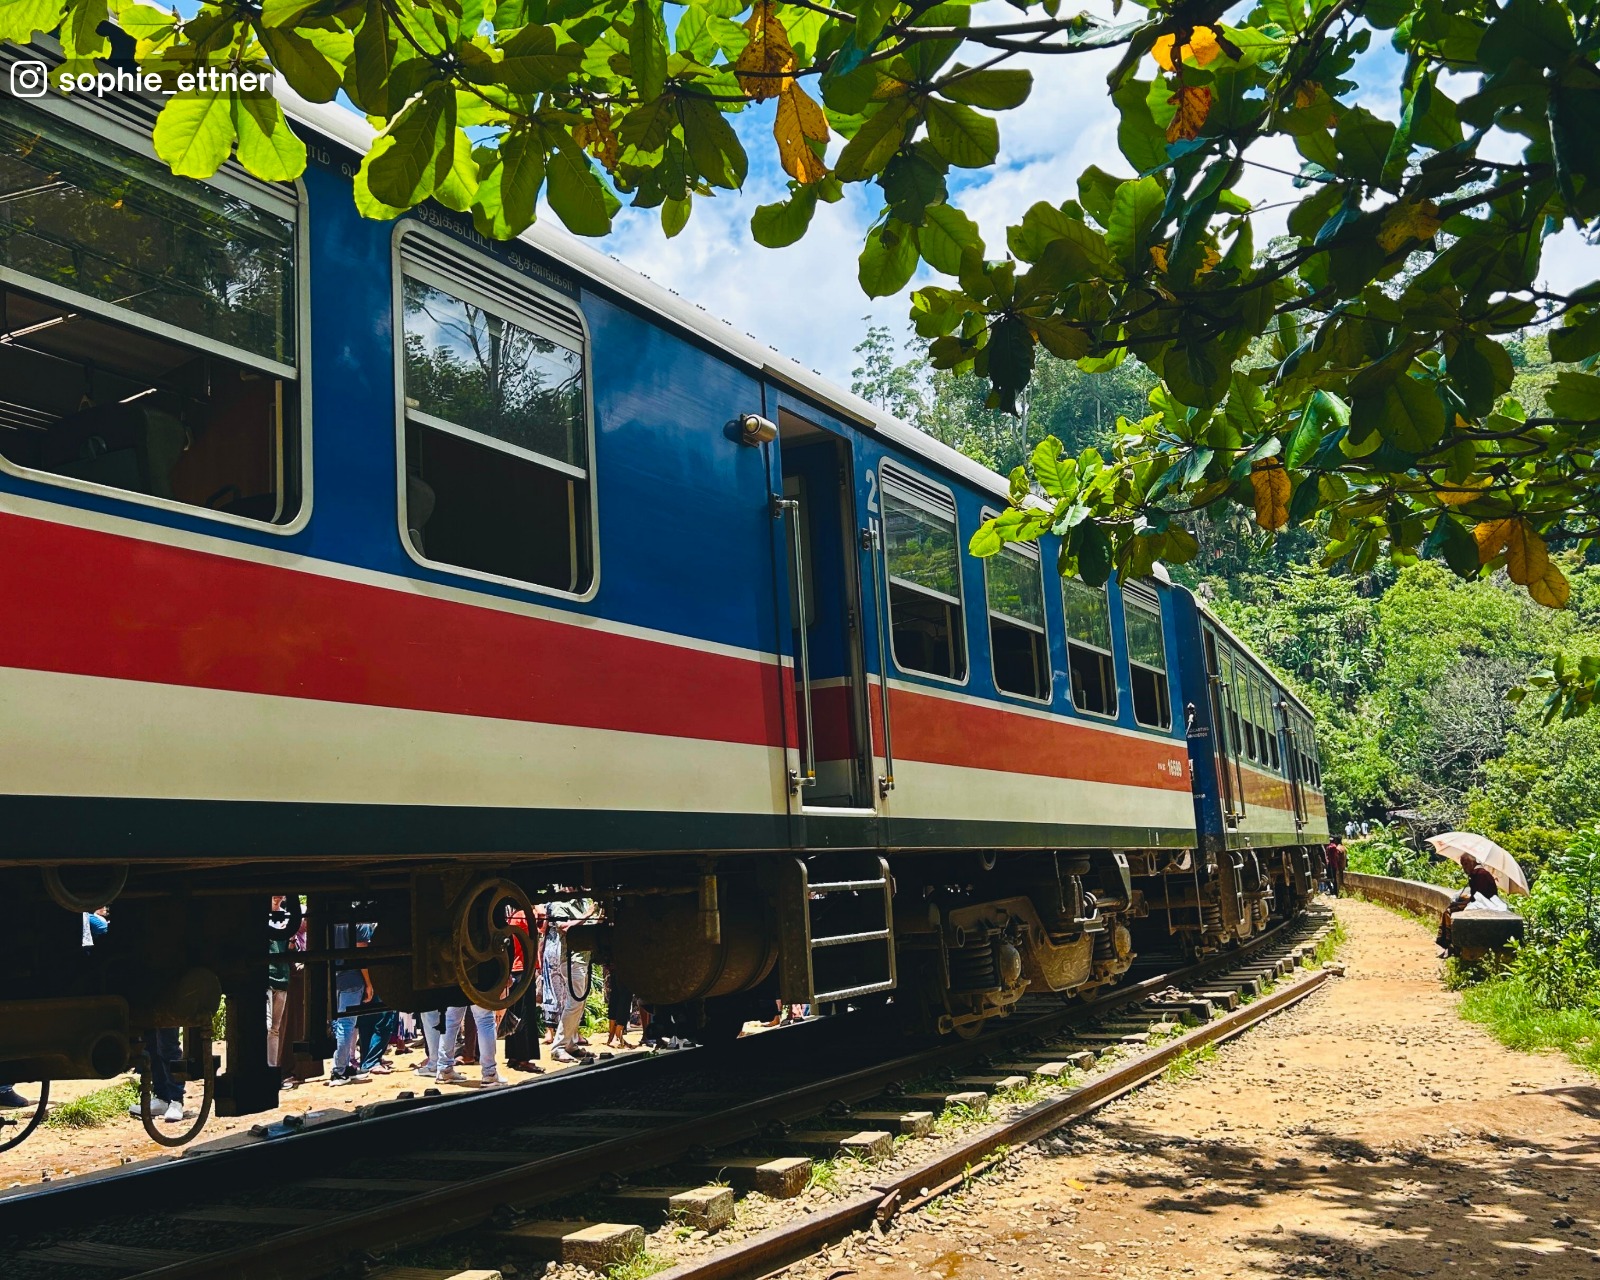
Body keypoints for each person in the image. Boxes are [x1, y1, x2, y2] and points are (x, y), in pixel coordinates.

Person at [327, 917, 373, 1085]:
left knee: (341, 1023)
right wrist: (369, 983)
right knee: (347, 1024)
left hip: (334, 976)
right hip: (352, 978)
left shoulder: (331, 921)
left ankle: (344, 1066)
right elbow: (362, 954)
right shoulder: (361, 922)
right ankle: (339, 1070)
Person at [1435, 853, 1501, 954]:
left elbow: (1479, 897)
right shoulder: (1476, 874)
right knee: (1453, 907)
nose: (1464, 868)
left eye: (1465, 864)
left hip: (1485, 905)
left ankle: (1448, 942)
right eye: (1462, 865)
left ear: (1472, 862)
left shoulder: (1481, 874)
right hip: (1480, 903)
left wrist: (1460, 904)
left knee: (1449, 912)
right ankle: (1449, 943)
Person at [267, 896, 294, 1082]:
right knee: (267, 1026)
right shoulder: (263, 917)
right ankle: (264, 1069)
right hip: (267, 977)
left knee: (274, 1029)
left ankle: (272, 1070)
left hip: (282, 977)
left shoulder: (287, 917)